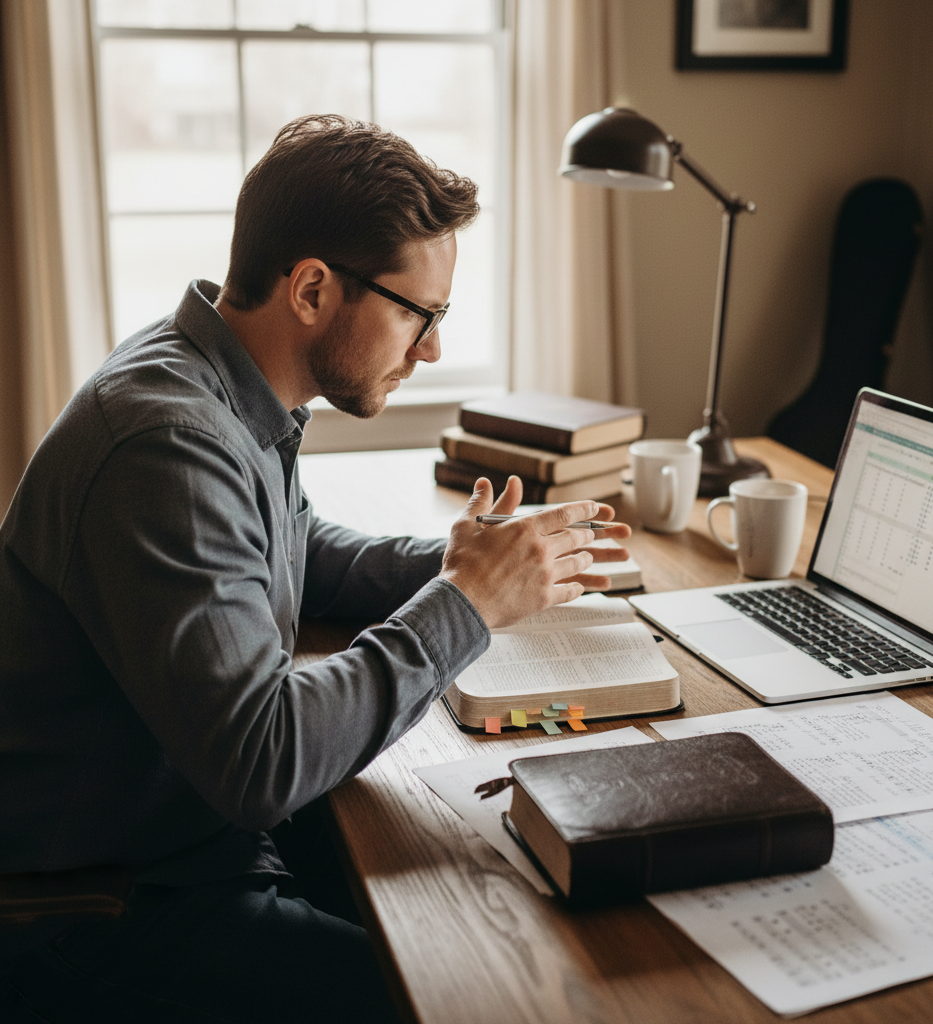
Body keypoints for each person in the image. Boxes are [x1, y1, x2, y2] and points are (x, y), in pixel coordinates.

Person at [0, 114, 631, 1022]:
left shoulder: (217, 383)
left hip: (187, 842)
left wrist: (489, 563)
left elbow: (303, 553)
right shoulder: (165, 442)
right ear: (310, 290)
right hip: (102, 903)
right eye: (421, 313)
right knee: (493, 994)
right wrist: (467, 604)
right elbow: (264, 758)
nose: (433, 349)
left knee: (520, 897)